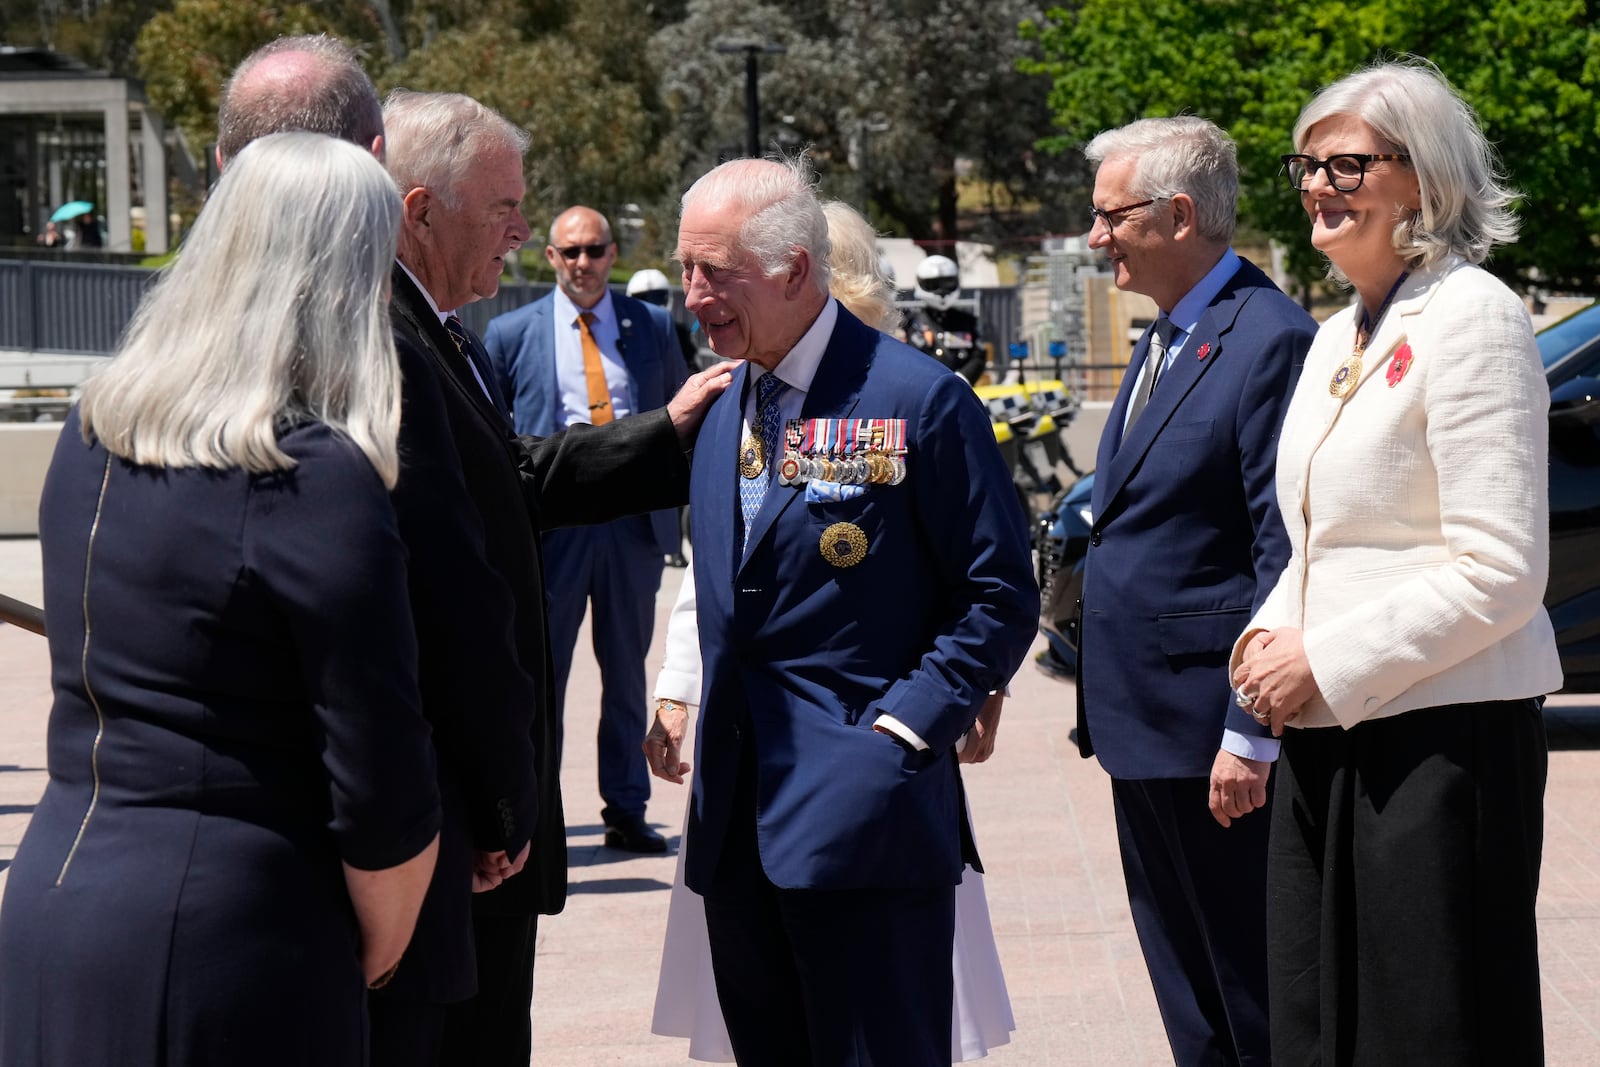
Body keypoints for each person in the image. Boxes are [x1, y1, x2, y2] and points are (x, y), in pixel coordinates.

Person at [0, 132, 441, 1066]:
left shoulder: (93, 432)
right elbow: (382, 788)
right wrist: (366, 947)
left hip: (55, 903)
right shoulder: (313, 474)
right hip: (231, 935)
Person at [378, 90, 732, 1066]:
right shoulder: (390, 345)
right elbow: (450, 595)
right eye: (504, 208)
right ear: (420, 209)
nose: (527, 234)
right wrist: (500, 804)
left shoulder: (442, 334)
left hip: (483, 831)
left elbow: (518, 471)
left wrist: (663, 434)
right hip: (459, 838)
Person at [1230, 59, 1562, 1064]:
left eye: (1346, 164)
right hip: (1325, 733)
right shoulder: (1336, 332)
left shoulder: (1475, 316)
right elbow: (1319, 530)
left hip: (1440, 742)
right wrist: (1263, 637)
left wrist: (1322, 659)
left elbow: (1502, 566)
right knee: (1314, 1018)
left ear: (1420, 178)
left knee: (1426, 1026)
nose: (1316, 187)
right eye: (1306, 164)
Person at [671, 157, 1037, 1065]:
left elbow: (998, 592)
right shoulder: (726, 405)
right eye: (686, 268)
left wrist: (906, 734)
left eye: (714, 272)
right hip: (738, 827)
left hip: (868, 822)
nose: (692, 295)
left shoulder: (919, 399)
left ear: (795, 269)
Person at [1073, 116, 1315, 1065]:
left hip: (1213, 742)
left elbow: (1279, 552)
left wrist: (1248, 732)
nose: (1096, 239)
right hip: (1145, 729)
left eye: (1110, 217)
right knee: (1189, 997)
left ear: (1179, 215)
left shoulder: (1267, 339)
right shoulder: (1171, 333)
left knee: (1248, 998)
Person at [482, 207, 690, 854]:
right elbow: (493, 430)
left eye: (594, 250)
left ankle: (626, 809)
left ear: (612, 251)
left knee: (627, 672)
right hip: (556, 524)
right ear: (549, 257)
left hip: (631, 526)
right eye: (569, 251)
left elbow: (682, 414)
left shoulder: (651, 326)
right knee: (543, 674)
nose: (583, 263)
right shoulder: (511, 333)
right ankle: (537, 814)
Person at [625, 267, 697, 569]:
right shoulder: (628, 331)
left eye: (656, 297)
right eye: (646, 297)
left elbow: (686, 369)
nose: (652, 302)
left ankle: (674, 545)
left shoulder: (674, 329)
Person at [904, 253, 986, 383]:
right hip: (922, 388)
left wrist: (962, 379)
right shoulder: (909, 322)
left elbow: (979, 355)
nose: (941, 291)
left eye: (947, 283)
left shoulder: (967, 321)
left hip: (960, 389)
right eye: (933, 284)